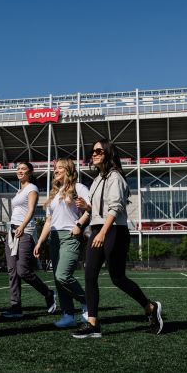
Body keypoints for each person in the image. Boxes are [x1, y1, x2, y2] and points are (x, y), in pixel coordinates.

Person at [72, 139, 164, 338]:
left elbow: (116, 208)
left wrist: (103, 232)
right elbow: (98, 211)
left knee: (117, 278)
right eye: (92, 151)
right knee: (89, 275)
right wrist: (85, 212)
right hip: (98, 229)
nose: (94, 154)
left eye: (98, 151)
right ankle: (93, 323)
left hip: (114, 230)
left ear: (108, 153)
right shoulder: (97, 180)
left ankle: (150, 306)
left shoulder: (116, 177)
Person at [34, 158, 89, 328]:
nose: (55, 171)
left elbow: (90, 209)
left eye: (60, 168)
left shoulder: (79, 188)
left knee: (62, 275)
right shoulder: (55, 193)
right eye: (54, 168)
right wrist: (40, 242)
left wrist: (79, 225)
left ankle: (88, 303)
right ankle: (68, 315)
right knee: (58, 280)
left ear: (68, 170)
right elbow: (49, 221)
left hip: (71, 236)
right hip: (54, 239)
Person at [3, 162, 56, 318]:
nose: (20, 171)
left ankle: (48, 293)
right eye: (18, 169)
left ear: (30, 172)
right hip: (11, 231)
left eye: (23, 169)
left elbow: (32, 210)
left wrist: (22, 226)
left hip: (24, 231)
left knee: (23, 270)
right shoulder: (19, 190)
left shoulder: (32, 188)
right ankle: (16, 307)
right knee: (12, 272)